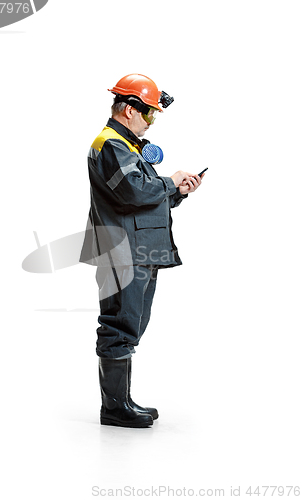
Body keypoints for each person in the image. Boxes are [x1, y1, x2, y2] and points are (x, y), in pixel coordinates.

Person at [80, 73, 205, 428]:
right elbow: (134, 193)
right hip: (123, 252)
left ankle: (121, 401)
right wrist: (169, 181)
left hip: (140, 250)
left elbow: (143, 197)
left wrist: (177, 191)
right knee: (119, 325)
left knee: (130, 325)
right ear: (129, 109)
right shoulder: (110, 145)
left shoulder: (127, 146)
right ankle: (114, 408)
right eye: (149, 113)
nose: (151, 121)